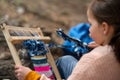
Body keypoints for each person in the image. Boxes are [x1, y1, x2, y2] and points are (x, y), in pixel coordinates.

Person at [15, 0, 120, 80]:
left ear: (105, 28)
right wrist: (106, 45)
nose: (89, 28)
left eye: (91, 24)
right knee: (66, 60)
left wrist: (31, 76)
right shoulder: (114, 48)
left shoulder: (91, 62)